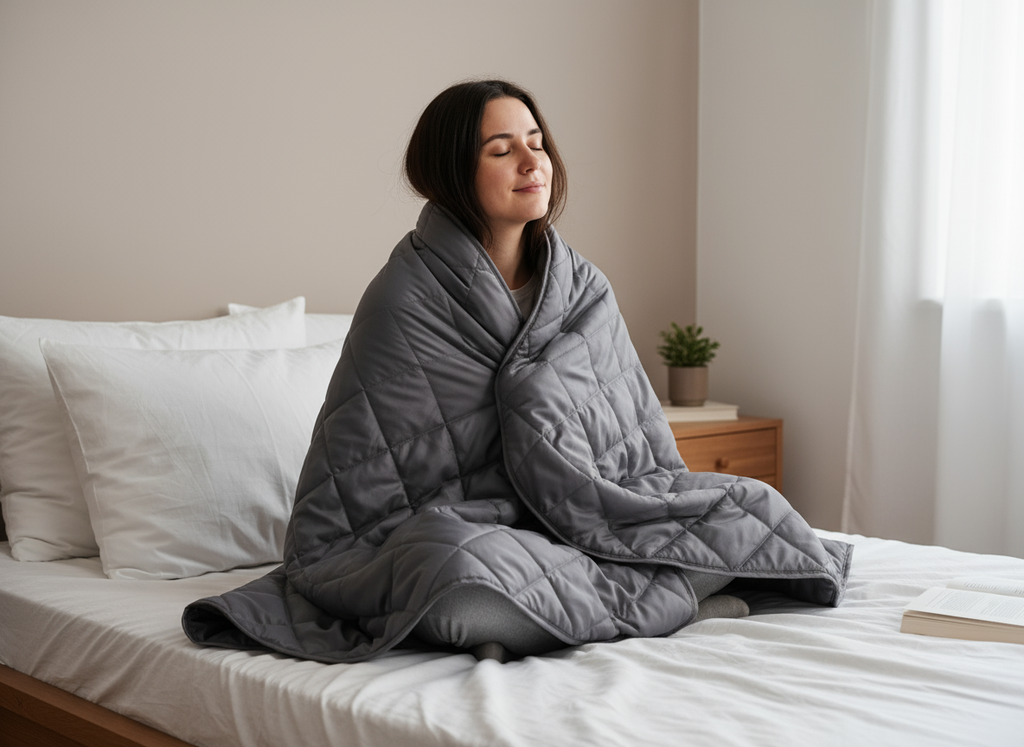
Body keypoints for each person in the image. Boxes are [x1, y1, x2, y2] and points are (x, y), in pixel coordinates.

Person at [182, 80, 851, 666]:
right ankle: (687, 596)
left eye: (537, 142)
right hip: (476, 524)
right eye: (502, 149)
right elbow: (371, 460)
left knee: (751, 506)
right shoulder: (405, 295)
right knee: (453, 566)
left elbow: (632, 447)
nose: (534, 161)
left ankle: (545, 621)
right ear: (453, 172)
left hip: (589, 513)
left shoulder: (583, 286)